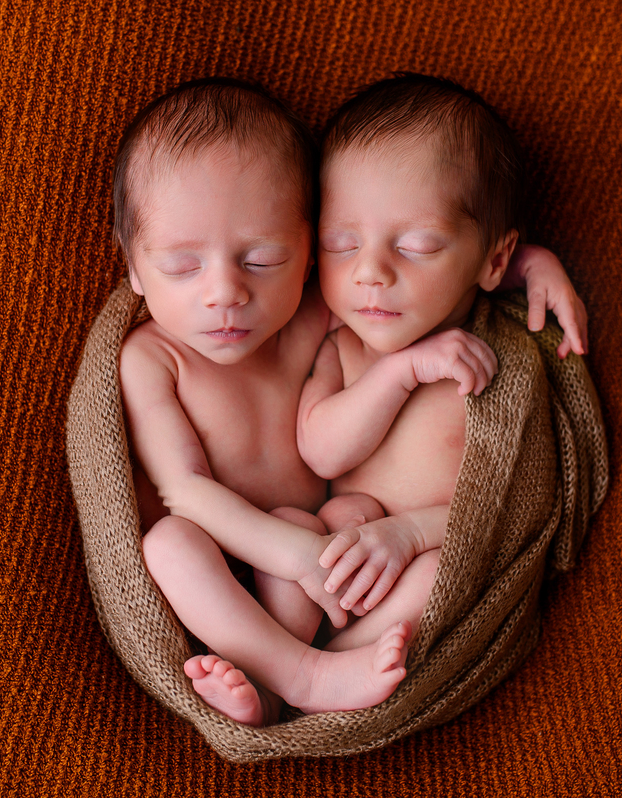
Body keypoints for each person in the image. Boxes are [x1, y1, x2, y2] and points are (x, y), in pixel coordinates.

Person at [115, 76, 586, 726]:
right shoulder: (150, 355)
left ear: (305, 255)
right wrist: (294, 554)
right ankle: (295, 673)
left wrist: (529, 266)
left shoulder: (314, 312)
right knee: (167, 544)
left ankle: (318, 675)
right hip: (239, 568)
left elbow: (424, 272)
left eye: (260, 258)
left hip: (331, 548)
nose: (225, 291)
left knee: (417, 566)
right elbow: (182, 493)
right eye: (180, 266)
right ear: (135, 269)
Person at [296, 73, 586, 652]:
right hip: (337, 571)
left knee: (435, 577)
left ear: (494, 259)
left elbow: (516, 508)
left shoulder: (499, 356)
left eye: (417, 246)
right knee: (301, 527)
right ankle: (284, 653)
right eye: (340, 243)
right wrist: (398, 372)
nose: (369, 271)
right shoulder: (343, 346)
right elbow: (320, 450)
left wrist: (408, 534)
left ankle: (322, 671)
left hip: (433, 556)